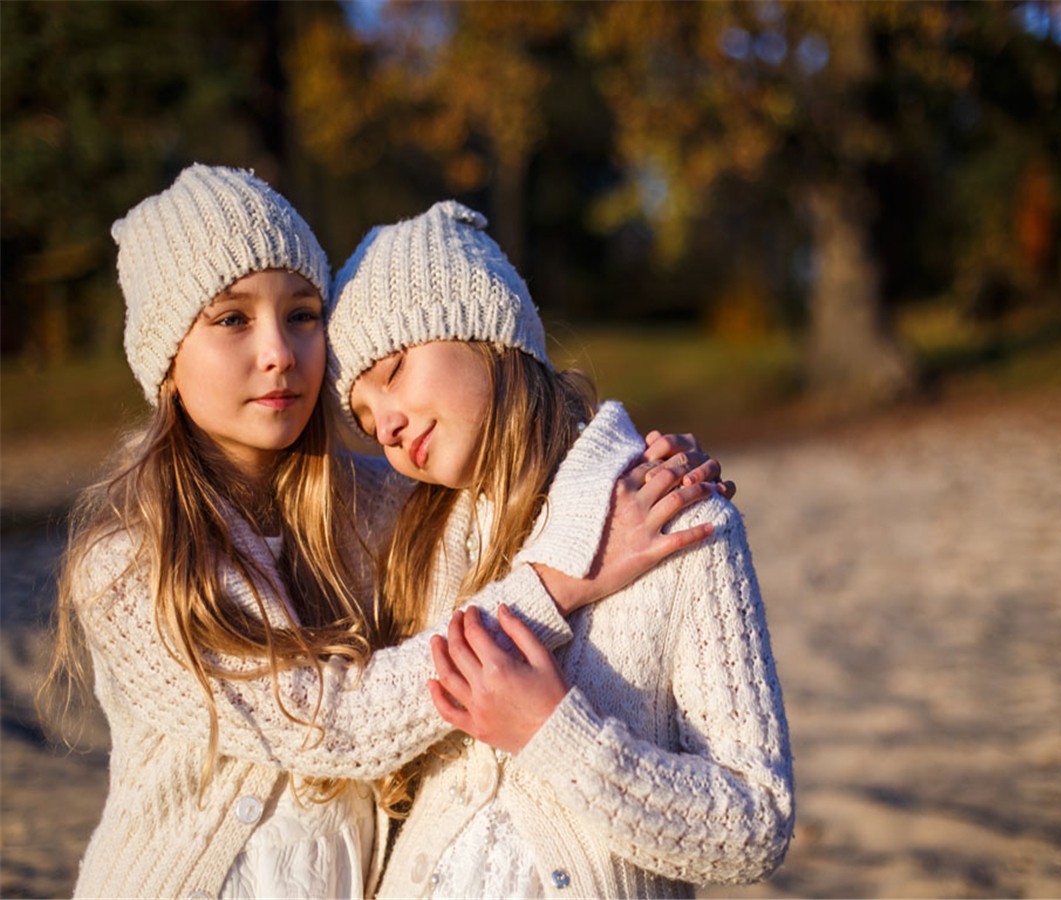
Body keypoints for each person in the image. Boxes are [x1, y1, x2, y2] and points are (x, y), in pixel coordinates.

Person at [48, 165, 723, 900]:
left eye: (302, 314)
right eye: (233, 318)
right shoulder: (129, 560)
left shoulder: (376, 508)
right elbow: (331, 725)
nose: (278, 350)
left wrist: (641, 471)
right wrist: (565, 577)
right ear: (165, 357)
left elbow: (512, 484)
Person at [327, 200, 795, 899]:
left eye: (393, 371)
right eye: (363, 420)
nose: (386, 427)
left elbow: (755, 827)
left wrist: (553, 732)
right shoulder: (409, 542)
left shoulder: (676, 516)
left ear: (486, 329)